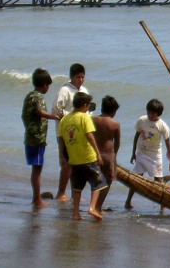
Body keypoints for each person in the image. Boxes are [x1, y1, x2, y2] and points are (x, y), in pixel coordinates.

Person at [57, 92, 107, 221]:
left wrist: (61, 157)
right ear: (85, 105)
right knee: (99, 183)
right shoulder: (84, 118)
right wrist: (98, 153)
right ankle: (92, 208)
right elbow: (90, 136)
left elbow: (61, 140)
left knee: (77, 187)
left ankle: (75, 213)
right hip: (88, 157)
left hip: (74, 159)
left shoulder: (65, 119)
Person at [125, 98, 170, 210]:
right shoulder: (142, 120)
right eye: (148, 112)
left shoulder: (162, 125)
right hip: (141, 153)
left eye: (153, 113)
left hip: (155, 156)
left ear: (158, 114)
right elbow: (136, 137)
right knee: (136, 179)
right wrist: (133, 153)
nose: (150, 115)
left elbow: (168, 145)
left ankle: (162, 205)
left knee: (158, 181)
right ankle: (128, 201)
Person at [21, 68, 60, 208]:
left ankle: (36, 198)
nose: (48, 88)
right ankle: (37, 199)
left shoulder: (30, 96)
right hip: (36, 139)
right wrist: (55, 116)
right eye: (48, 85)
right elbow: (40, 112)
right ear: (43, 84)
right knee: (37, 170)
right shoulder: (37, 97)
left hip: (32, 137)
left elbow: (25, 116)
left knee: (36, 169)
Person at [51, 63, 89, 201]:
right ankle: (60, 193)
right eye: (78, 77)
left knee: (77, 165)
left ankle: (75, 194)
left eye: (83, 77)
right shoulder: (65, 90)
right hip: (65, 133)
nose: (81, 80)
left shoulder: (84, 91)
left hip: (81, 133)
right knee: (67, 164)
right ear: (72, 77)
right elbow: (56, 110)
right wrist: (71, 115)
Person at [92, 95, 121, 214]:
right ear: (113, 111)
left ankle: (93, 205)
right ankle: (98, 206)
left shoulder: (93, 119)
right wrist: (115, 157)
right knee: (107, 181)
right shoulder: (115, 124)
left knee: (95, 181)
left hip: (94, 154)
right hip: (108, 155)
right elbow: (117, 143)